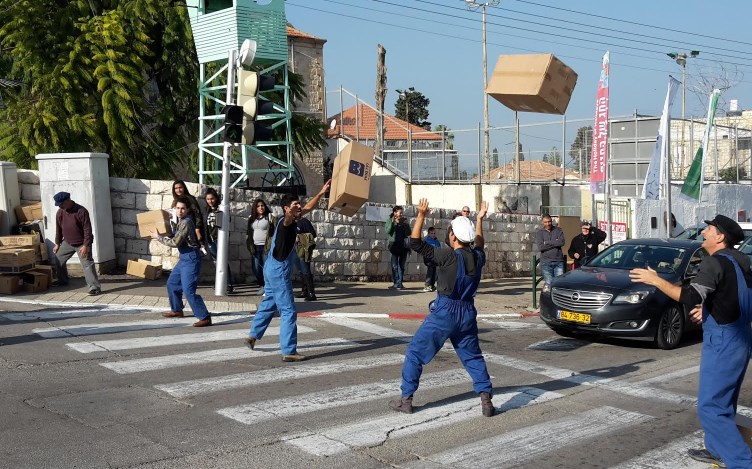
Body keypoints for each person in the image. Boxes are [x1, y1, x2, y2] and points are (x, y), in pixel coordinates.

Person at [630, 215, 752, 468]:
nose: (704, 232)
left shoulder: (713, 262)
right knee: (724, 402)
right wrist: (707, 308)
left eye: (709, 229)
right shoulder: (740, 259)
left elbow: (687, 295)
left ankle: (742, 462)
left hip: (723, 341)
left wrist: (655, 280)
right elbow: (731, 295)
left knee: (710, 408)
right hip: (740, 336)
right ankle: (717, 450)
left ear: (720, 237)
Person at [389, 198, 495, 418]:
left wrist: (420, 215)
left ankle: (406, 399)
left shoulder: (447, 255)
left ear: (453, 236)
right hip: (467, 312)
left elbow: (416, 243)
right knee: (473, 357)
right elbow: (480, 244)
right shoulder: (477, 257)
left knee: (415, 354)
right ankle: (486, 401)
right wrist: (480, 220)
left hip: (445, 311)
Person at [245, 181, 331, 362]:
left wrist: (322, 191)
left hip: (270, 266)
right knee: (288, 311)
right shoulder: (286, 222)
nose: (299, 206)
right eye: (295, 205)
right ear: (286, 208)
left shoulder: (294, 216)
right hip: (278, 270)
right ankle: (289, 350)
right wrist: (290, 214)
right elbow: (288, 218)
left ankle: (253, 335)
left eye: (298, 204)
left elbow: (308, 207)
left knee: (269, 302)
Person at [150, 196, 213, 327]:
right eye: (178, 208)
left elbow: (175, 242)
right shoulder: (181, 221)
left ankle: (205, 316)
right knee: (172, 283)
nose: (180, 211)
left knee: (188, 289)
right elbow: (176, 235)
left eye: (183, 208)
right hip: (184, 258)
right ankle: (177, 310)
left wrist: (158, 237)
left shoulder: (187, 222)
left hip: (191, 258)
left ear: (188, 209)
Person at [52, 192, 101, 295]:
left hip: (82, 243)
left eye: (61, 204)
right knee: (58, 259)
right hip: (68, 242)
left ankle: (94, 287)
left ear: (67, 201)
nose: (60, 206)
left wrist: (86, 245)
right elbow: (58, 229)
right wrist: (57, 244)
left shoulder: (81, 211)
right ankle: (63, 281)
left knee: (87, 264)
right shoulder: (60, 212)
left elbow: (87, 230)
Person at [204, 188, 233, 294]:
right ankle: (219, 282)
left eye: (212, 198)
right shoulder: (206, 210)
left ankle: (228, 283)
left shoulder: (221, 209)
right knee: (216, 262)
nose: (210, 201)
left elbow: (226, 222)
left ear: (216, 198)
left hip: (219, 239)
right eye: (208, 199)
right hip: (210, 240)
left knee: (223, 261)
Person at [246, 198, 276, 296]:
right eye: (258, 206)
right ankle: (262, 285)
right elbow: (249, 232)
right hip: (255, 246)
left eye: (262, 205)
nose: (261, 208)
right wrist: (249, 244)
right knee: (256, 268)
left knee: (266, 268)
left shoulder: (268, 217)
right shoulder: (251, 218)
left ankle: (268, 287)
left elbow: (274, 229)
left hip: (265, 246)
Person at [171, 180, 205, 249]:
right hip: (178, 230)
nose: (178, 190)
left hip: (190, 230)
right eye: (176, 188)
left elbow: (197, 214)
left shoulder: (190, 199)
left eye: (180, 187)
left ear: (184, 188)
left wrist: (197, 229)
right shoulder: (175, 201)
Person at [536, 214, 565, 292]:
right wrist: (555, 242)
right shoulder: (540, 233)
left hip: (558, 261)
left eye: (549, 222)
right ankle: (549, 302)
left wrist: (547, 243)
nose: (548, 224)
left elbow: (561, 242)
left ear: (551, 221)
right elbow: (541, 247)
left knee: (559, 284)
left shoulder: (558, 230)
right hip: (546, 262)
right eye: (545, 222)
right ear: (542, 222)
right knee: (549, 284)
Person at [386, 206, 411, 290]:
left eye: (402, 212)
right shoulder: (390, 220)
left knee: (401, 266)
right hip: (394, 247)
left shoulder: (403, 221)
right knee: (394, 266)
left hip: (403, 247)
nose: (401, 214)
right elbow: (388, 231)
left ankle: (399, 283)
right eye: (400, 212)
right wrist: (393, 223)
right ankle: (396, 283)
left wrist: (406, 225)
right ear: (395, 213)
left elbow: (408, 233)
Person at [294, 216, 318, 301]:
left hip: (303, 249)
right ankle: (304, 291)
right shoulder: (291, 222)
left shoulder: (304, 221)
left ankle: (312, 293)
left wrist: (299, 237)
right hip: (294, 249)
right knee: (301, 271)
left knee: (306, 271)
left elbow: (313, 234)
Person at [422, 226, 440, 292]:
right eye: (432, 233)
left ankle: (432, 285)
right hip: (428, 258)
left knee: (434, 271)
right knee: (430, 271)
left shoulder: (436, 241)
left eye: (434, 233)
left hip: (435, 258)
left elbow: (439, 248)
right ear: (429, 233)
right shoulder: (427, 240)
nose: (433, 235)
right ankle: (427, 285)